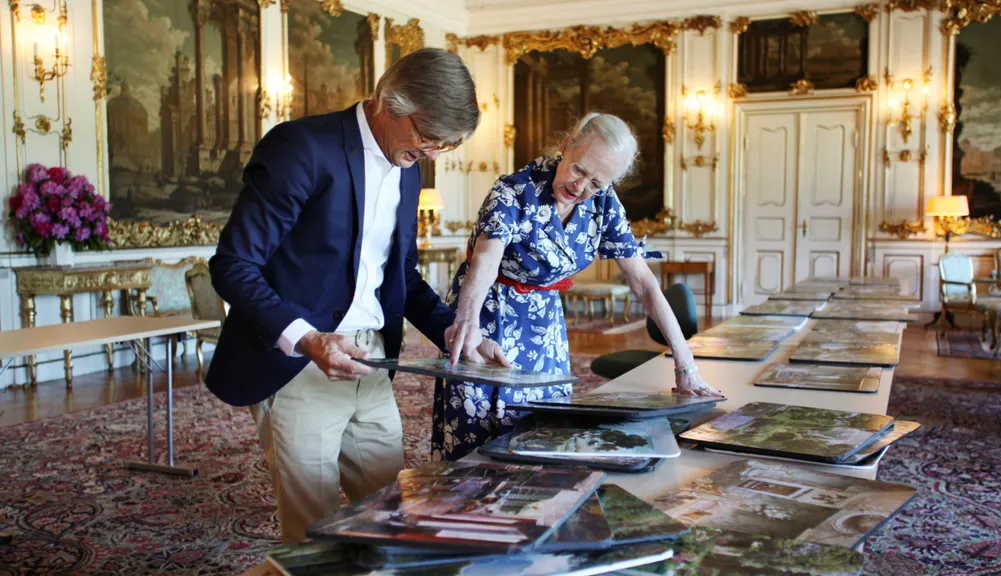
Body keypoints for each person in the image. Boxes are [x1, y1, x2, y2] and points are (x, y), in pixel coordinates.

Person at [205, 48, 506, 544]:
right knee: (313, 532)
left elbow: (401, 276)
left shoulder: (409, 165)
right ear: (389, 101)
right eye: (428, 139)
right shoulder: (301, 147)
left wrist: (456, 331)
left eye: (444, 147)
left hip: (373, 361)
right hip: (301, 361)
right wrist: (307, 340)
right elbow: (233, 265)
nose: (432, 154)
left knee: (393, 514)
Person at [433, 112, 721, 461]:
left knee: (543, 428)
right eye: (579, 170)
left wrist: (685, 364)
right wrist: (467, 321)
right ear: (566, 146)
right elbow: (486, 261)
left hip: (544, 322)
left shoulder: (603, 204)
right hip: (487, 312)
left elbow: (644, 283)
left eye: (596, 183)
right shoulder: (513, 191)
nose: (581, 187)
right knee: (475, 424)